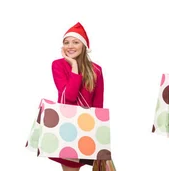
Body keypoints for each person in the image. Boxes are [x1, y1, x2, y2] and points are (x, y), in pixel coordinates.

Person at [50, 22, 105, 171]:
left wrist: (97, 134)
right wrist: (74, 65)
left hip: (86, 128)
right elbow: (69, 97)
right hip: (66, 126)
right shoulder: (58, 65)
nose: (70, 46)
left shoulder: (96, 70)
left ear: (84, 46)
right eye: (66, 42)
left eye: (75, 42)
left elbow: (98, 105)